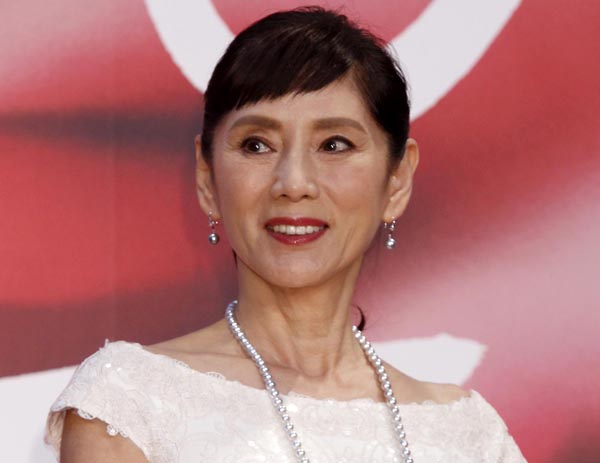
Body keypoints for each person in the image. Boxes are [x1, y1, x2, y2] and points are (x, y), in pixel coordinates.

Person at [45, 7, 526, 463]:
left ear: (396, 181)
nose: (293, 183)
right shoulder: (129, 401)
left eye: (334, 144)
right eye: (257, 145)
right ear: (208, 180)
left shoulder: (469, 434)